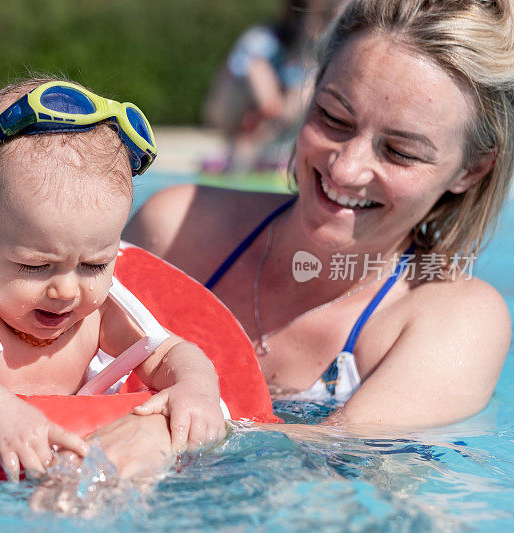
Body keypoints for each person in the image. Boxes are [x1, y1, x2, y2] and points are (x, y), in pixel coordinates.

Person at [71, 0, 514, 481]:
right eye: (333, 118)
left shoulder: (453, 317)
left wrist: (170, 433)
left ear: (472, 170)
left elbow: (340, 455)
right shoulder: (177, 229)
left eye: (400, 152)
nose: (345, 168)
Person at [0, 78, 225, 481]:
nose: (67, 290)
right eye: (36, 266)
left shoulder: (98, 314)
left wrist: (196, 387)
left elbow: (172, 353)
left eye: (95, 265)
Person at [201, 0, 338, 173]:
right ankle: (248, 155)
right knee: (259, 73)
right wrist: (268, 107)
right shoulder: (263, 38)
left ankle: (250, 155)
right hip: (237, 107)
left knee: (307, 88)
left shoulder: (311, 54)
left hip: (270, 124)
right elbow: (256, 81)